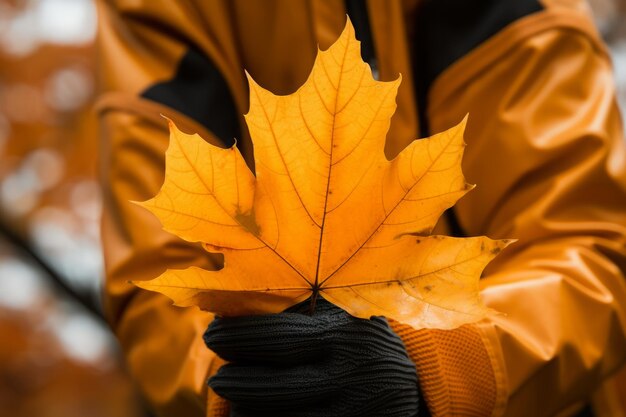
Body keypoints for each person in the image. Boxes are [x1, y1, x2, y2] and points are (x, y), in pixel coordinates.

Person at [95, 0, 626, 416]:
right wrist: (243, 382)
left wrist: (438, 365)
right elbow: (158, 286)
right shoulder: (159, 9)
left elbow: (593, 243)